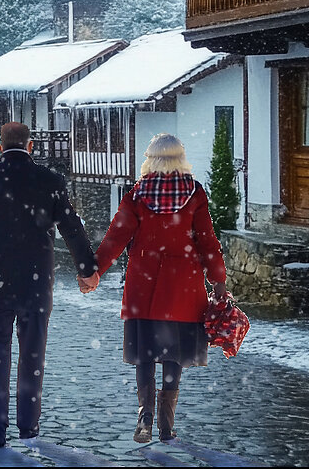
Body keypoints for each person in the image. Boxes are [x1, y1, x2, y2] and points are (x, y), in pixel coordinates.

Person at [0, 121, 99, 450]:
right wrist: (87, 268)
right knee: (32, 357)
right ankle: (28, 427)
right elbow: (71, 226)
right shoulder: (49, 181)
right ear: (31, 146)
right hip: (35, 286)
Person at [90, 133, 228, 443]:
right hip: (182, 288)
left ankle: (145, 417)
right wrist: (218, 281)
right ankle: (166, 423)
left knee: (145, 354)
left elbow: (116, 237)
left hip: (144, 286)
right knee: (172, 355)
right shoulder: (194, 193)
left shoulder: (137, 195)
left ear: (150, 159)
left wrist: (94, 270)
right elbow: (207, 241)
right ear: (180, 158)